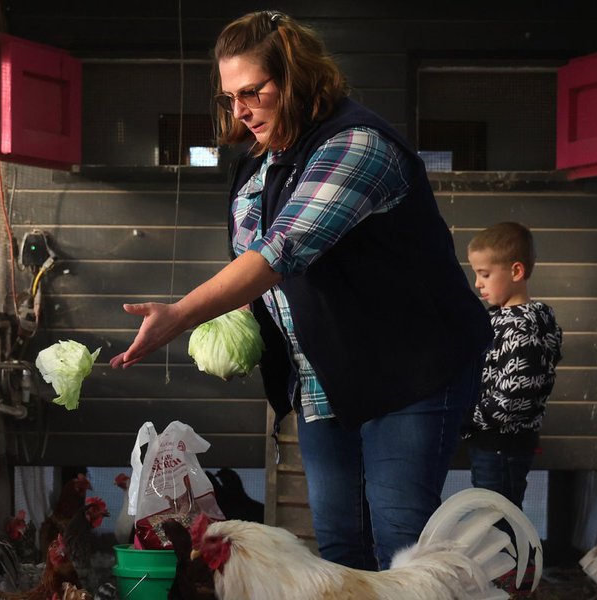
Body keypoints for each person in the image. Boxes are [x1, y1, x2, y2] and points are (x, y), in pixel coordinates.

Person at [110, 10, 492, 571]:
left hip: (409, 372)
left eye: (252, 92)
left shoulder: (357, 144)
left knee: (402, 547)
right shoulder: (260, 164)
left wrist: (182, 315)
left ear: (294, 78)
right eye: (228, 97)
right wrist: (238, 328)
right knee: (338, 545)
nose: (239, 109)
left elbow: (281, 254)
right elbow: (250, 269)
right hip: (322, 380)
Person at [463, 222, 563, 509]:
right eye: (476, 274)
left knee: (497, 520)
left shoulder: (522, 328)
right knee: (492, 516)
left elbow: (513, 397)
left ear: (516, 272)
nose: (478, 283)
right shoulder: (500, 318)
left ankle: (513, 556)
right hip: (492, 442)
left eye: (485, 274)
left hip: (501, 444)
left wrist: (467, 418)